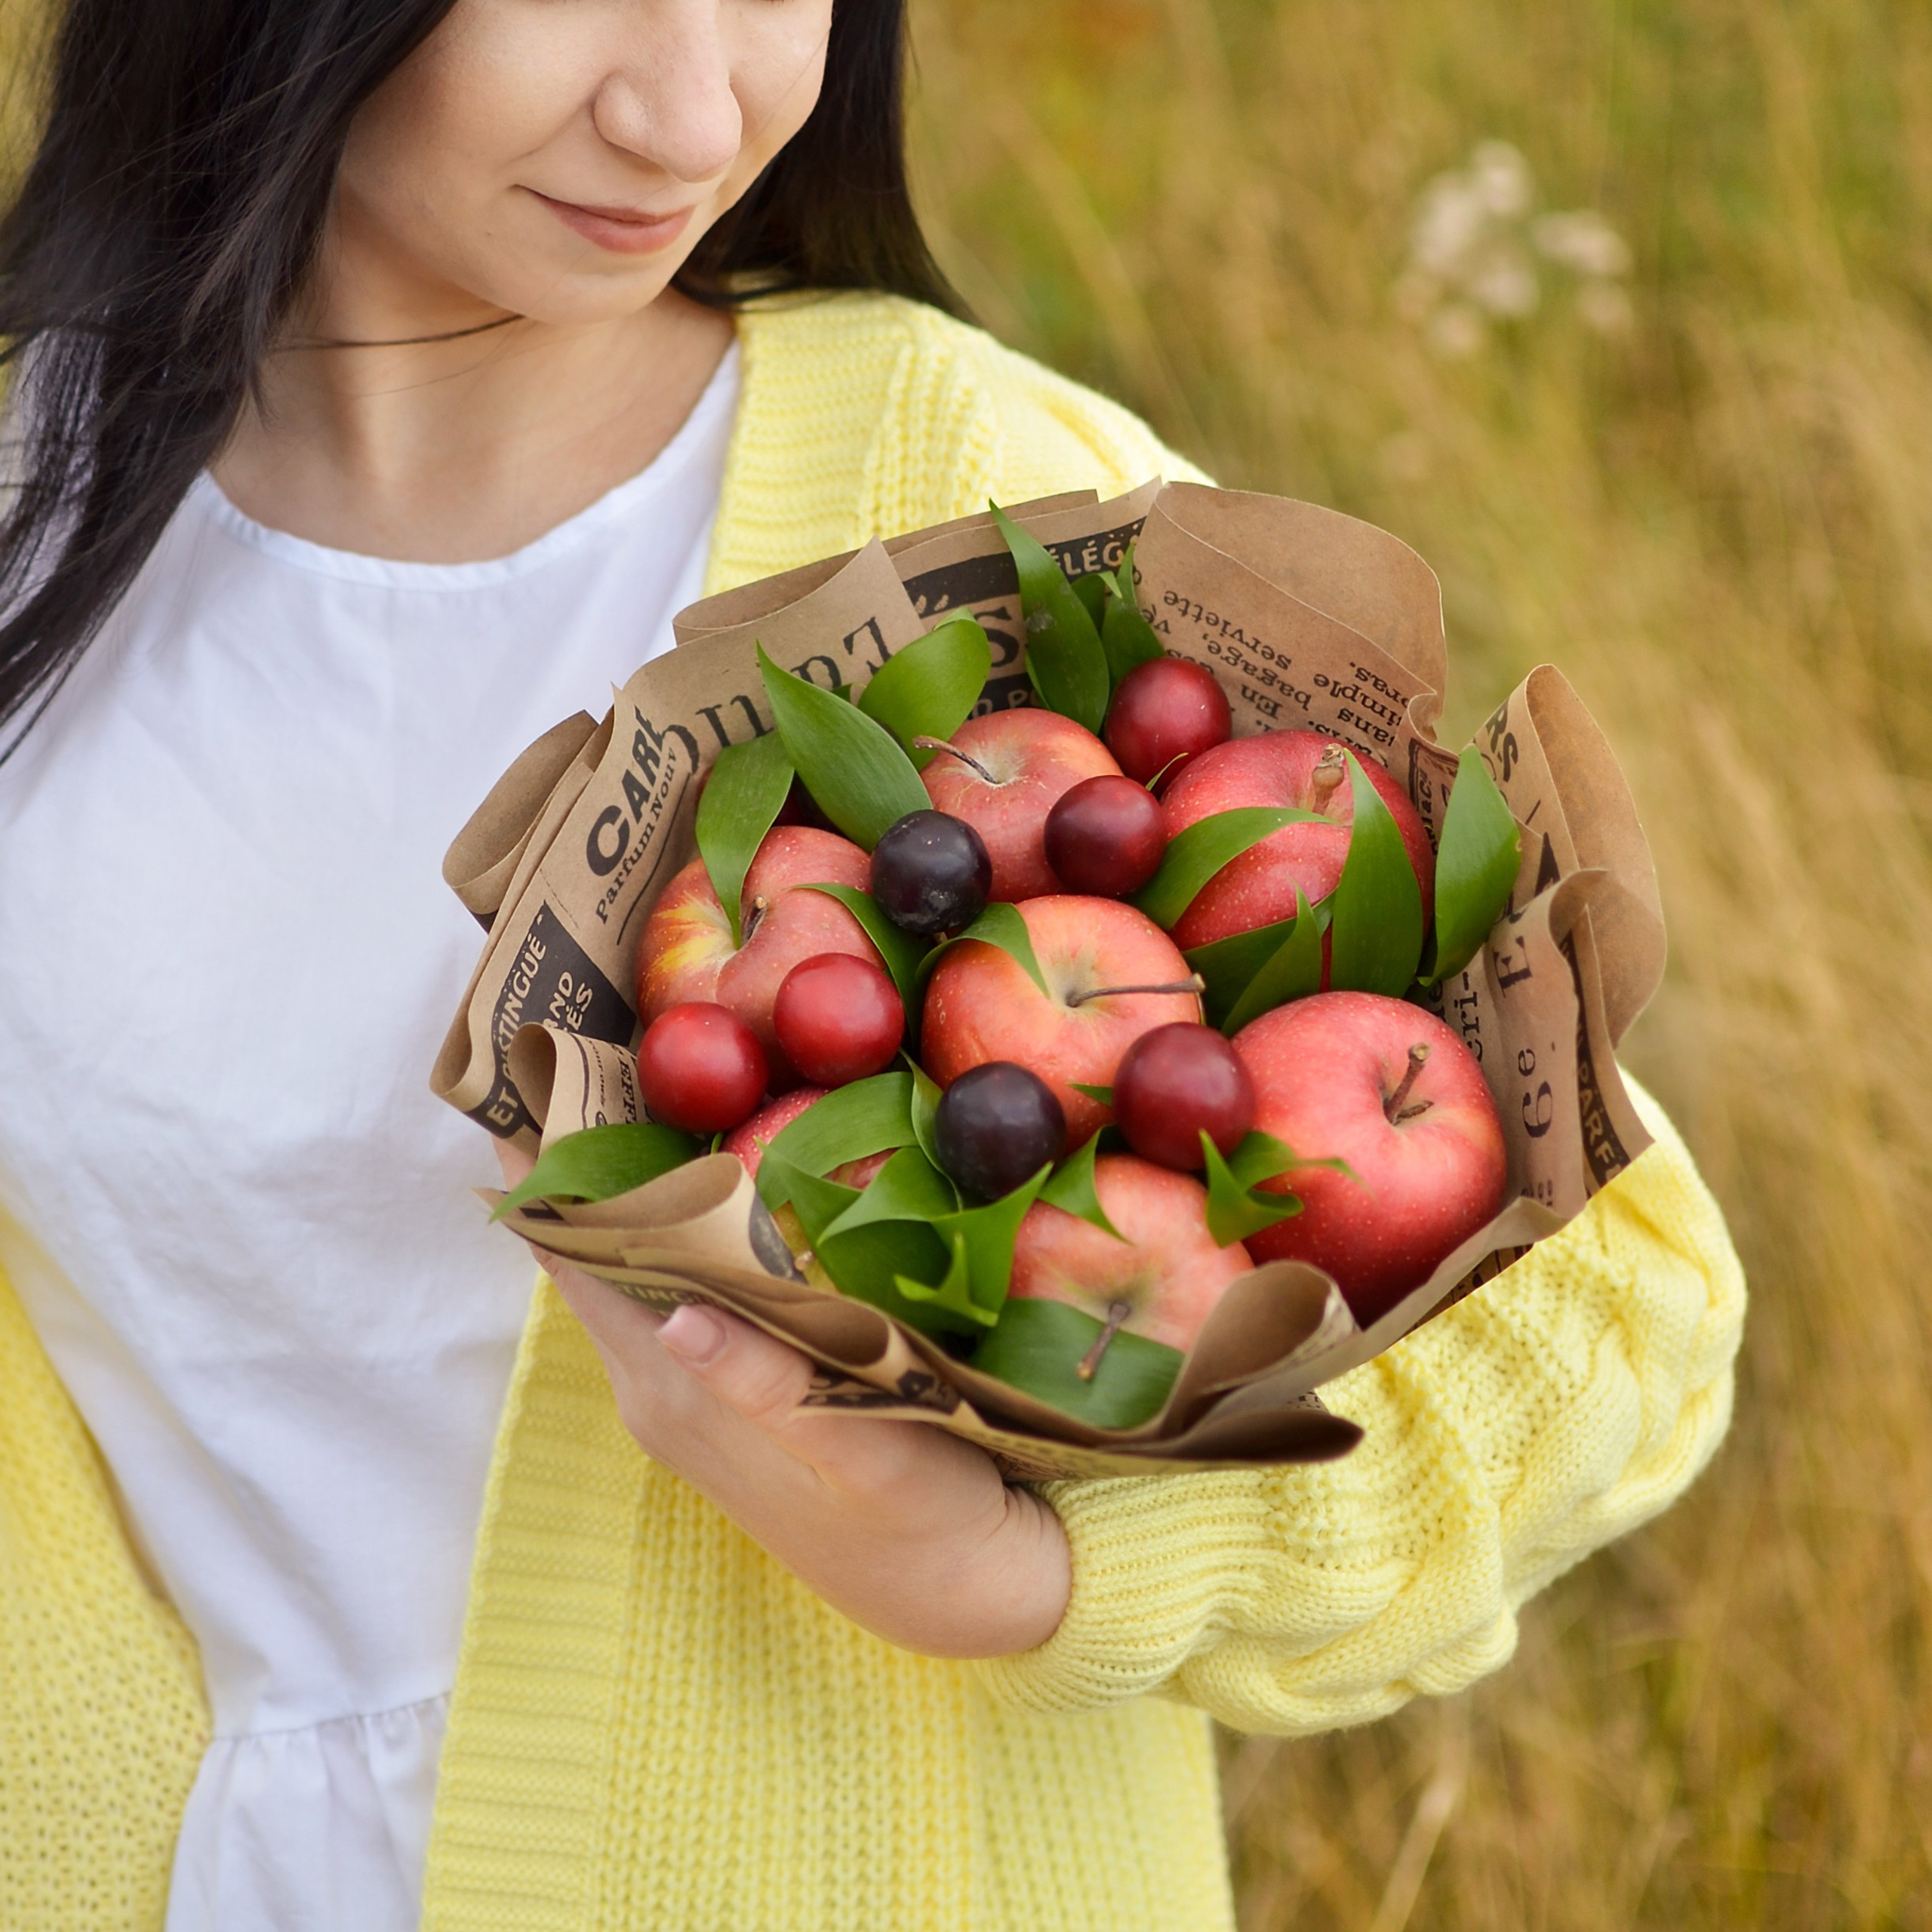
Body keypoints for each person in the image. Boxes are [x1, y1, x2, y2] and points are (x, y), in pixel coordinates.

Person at [0, 2, 1746, 1928]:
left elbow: (1609, 1333)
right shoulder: (30, 528)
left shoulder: (961, 498)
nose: (689, 110)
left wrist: (1021, 1578)